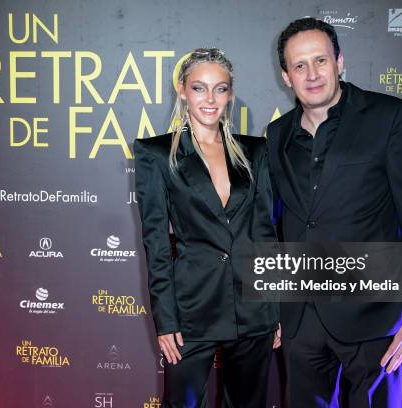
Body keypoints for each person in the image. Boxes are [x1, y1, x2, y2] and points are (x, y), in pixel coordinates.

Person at [266, 18, 402, 408]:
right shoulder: (277, 135)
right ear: (285, 76)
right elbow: (279, 225)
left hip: (375, 315)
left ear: (340, 61)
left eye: (320, 61)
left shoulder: (390, 117)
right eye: (299, 66)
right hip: (302, 317)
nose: (312, 75)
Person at [134, 48, 280, 408]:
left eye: (220, 88)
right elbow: (155, 242)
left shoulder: (255, 152)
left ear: (230, 93)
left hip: (252, 307)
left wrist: (275, 309)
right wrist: (166, 320)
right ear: (183, 90)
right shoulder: (156, 154)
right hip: (190, 309)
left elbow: (265, 234)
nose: (210, 99)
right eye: (200, 88)